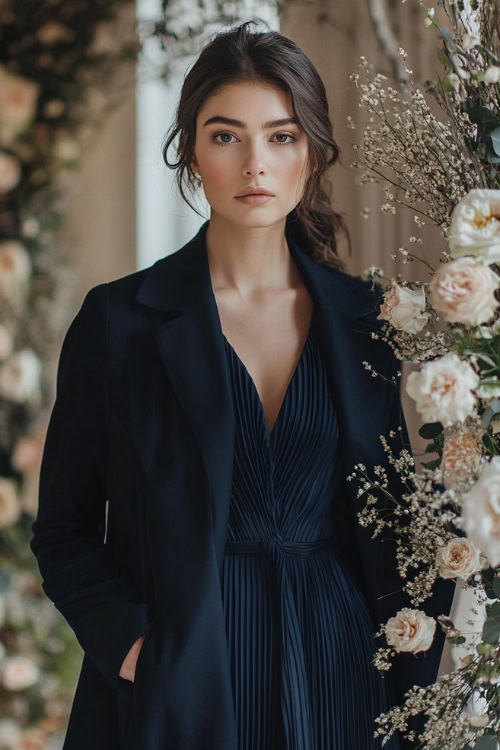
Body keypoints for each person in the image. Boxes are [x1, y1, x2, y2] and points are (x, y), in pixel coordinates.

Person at [30, 20, 454, 750]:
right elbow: (64, 530)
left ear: (312, 152)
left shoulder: (365, 321)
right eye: (226, 136)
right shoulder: (120, 322)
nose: (255, 162)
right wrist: (136, 652)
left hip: (344, 672)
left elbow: (396, 522)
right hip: (188, 675)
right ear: (192, 152)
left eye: (281, 137)